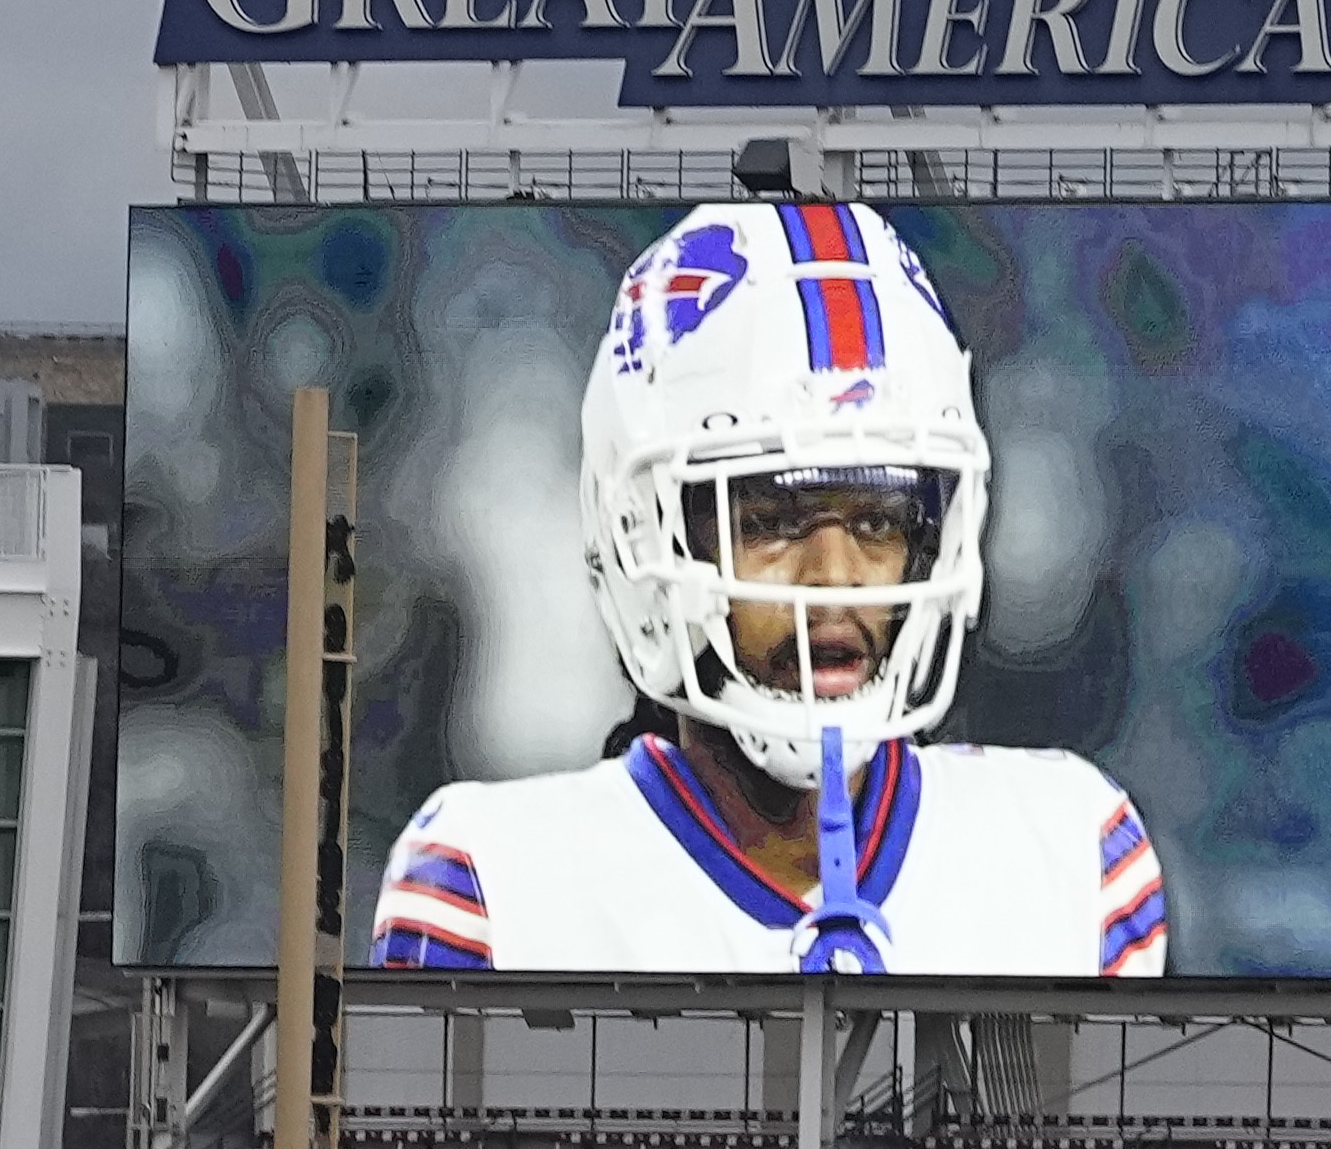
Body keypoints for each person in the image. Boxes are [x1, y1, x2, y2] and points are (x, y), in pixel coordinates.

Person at [367, 197, 1167, 976]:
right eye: (773, 520)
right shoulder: (492, 888)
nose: (835, 578)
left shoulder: (1073, 854)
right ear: (645, 530)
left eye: (879, 522)